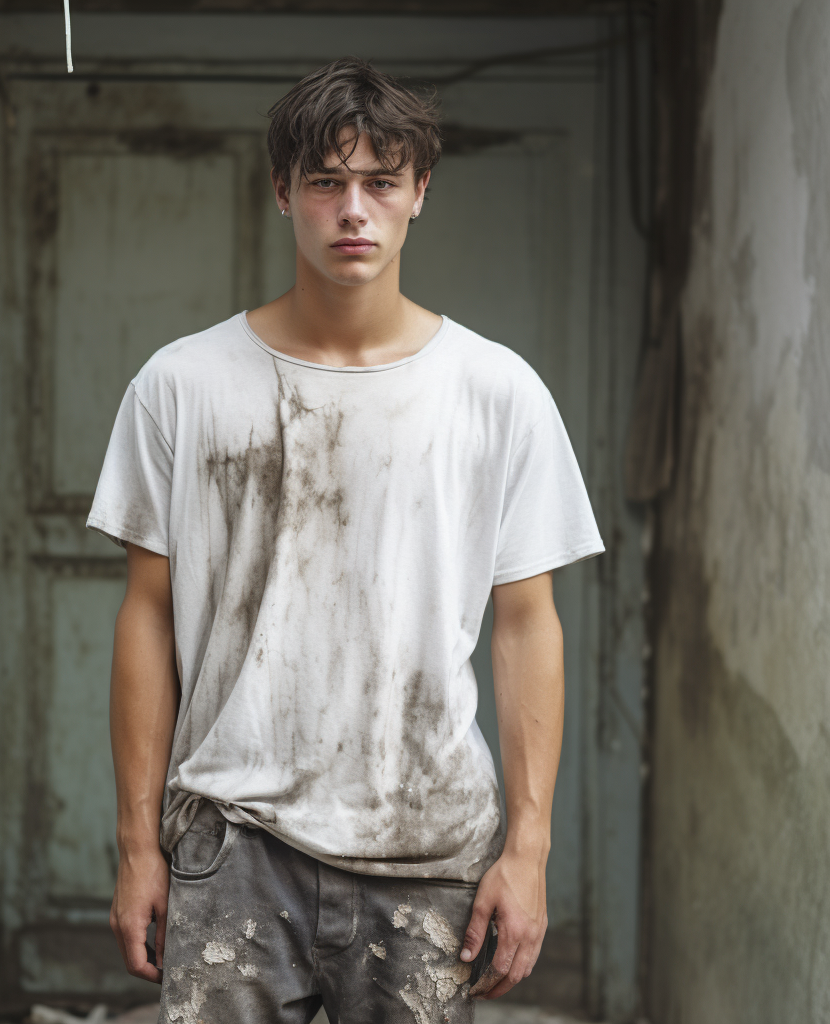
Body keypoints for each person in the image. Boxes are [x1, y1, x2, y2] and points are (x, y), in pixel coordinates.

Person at [88, 56, 604, 1024]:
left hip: (426, 850)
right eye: (326, 181)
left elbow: (528, 627)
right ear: (283, 193)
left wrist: (526, 851)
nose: (353, 209)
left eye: (379, 181)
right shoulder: (181, 385)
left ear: (419, 194)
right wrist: (136, 846)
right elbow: (146, 617)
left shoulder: (496, 394)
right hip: (231, 844)